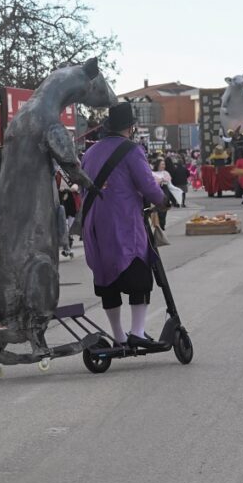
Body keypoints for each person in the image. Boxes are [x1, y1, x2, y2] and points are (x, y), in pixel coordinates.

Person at [81, 102, 168, 347]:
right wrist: (163, 200)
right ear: (130, 127)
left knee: (107, 280)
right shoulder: (131, 150)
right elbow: (148, 185)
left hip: (94, 225)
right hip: (122, 223)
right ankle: (137, 333)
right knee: (138, 276)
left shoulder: (90, 152)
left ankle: (118, 336)